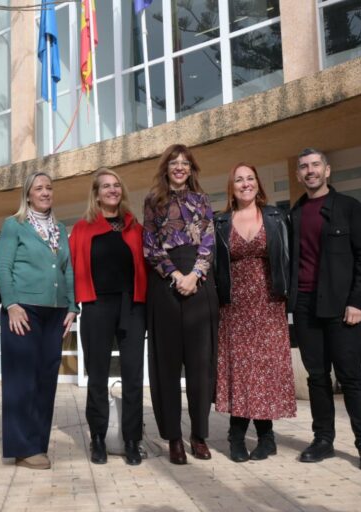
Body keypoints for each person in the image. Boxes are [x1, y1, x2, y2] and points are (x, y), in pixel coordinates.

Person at [289, 148, 361, 471]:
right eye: (304, 166)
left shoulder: (350, 208)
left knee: (350, 376)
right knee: (317, 377)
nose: (310, 170)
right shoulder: (294, 214)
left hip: (342, 306)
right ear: (298, 175)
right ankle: (323, 440)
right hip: (305, 305)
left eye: (316, 165)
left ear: (327, 171)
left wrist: (358, 301)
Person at [213, 163, 296, 463]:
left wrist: (290, 298)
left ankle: (266, 438)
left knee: (264, 371)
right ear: (231, 187)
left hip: (269, 303)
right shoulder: (220, 221)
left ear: (258, 184)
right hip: (234, 306)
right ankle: (237, 438)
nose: (245, 183)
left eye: (250, 178)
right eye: (239, 179)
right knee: (240, 370)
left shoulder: (275, 216)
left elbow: (289, 258)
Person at [0, 171, 79, 470]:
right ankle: (22, 448)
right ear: (28, 195)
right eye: (38, 188)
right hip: (24, 311)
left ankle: (37, 444)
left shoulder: (59, 228)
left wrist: (72, 305)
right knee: (22, 381)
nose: (45, 192)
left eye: (49, 188)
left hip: (55, 311)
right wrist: (11, 304)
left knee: (46, 380)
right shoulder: (14, 225)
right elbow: (3, 267)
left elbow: (67, 269)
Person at [142, 144, 219, 465]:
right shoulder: (153, 201)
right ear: (166, 168)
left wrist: (195, 275)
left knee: (201, 365)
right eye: (174, 162)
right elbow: (150, 246)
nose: (179, 167)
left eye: (185, 163)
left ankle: (199, 435)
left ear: (191, 169)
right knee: (168, 365)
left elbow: (209, 242)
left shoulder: (202, 200)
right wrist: (176, 276)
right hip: (166, 284)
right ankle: (174, 437)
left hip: (200, 284)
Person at [69, 168, 147, 466]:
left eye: (116, 185)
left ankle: (132, 440)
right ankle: (98, 438)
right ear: (97, 194)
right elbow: (70, 269)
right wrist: (71, 306)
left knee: (133, 376)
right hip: (96, 306)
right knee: (97, 376)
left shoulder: (135, 227)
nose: (112, 190)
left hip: (131, 306)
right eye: (106, 186)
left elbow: (146, 268)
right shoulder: (82, 228)